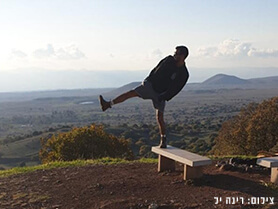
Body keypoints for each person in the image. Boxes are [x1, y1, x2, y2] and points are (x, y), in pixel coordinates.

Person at [99, 46, 189, 148]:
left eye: (177, 54)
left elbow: (176, 89)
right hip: (150, 86)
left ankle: (163, 140)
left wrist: (164, 97)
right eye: (174, 53)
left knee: (159, 117)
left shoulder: (183, 73)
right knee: (130, 93)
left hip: (161, 94)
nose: (174, 55)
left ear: (183, 56)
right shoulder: (168, 60)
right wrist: (148, 79)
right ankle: (108, 104)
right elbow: (156, 68)